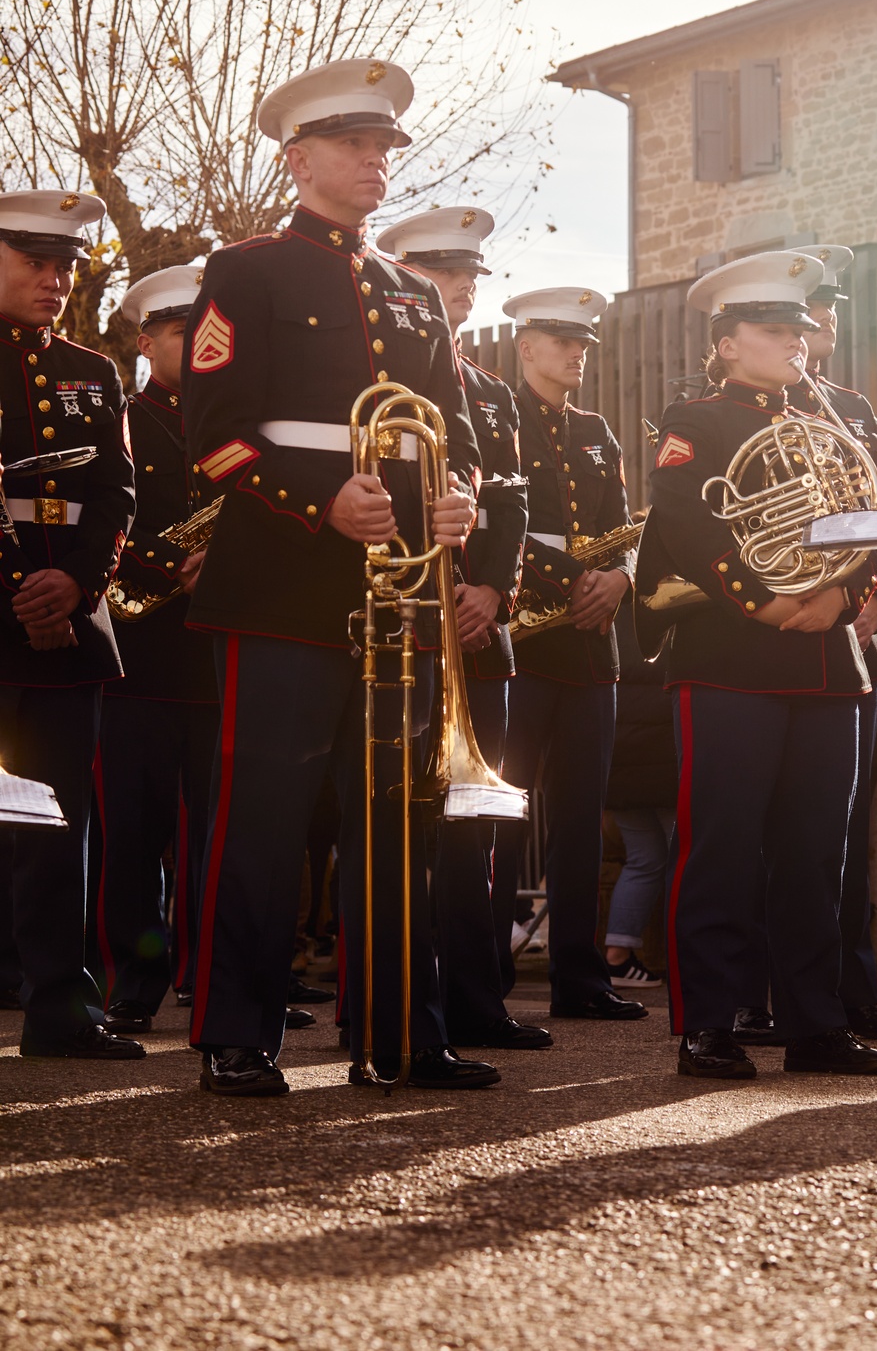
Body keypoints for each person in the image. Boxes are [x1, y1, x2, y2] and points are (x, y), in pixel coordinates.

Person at [181, 58, 498, 1095]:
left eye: (382, 149)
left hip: (399, 592)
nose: (374, 163)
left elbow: (451, 431)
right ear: (299, 158)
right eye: (355, 147)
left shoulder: (414, 294)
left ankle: (404, 1033)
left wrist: (460, 502)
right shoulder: (247, 269)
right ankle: (239, 1033)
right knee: (263, 820)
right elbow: (214, 437)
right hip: (281, 585)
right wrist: (318, 501)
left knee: (396, 819)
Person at [646, 250, 877, 1079]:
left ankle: (816, 1024)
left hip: (829, 661)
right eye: (772, 329)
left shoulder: (835, 420)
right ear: (727, 344)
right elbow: (689, 527)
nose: (794, 340)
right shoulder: (698, 419)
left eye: (798, 327)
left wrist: (848, 598)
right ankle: (708, 1026)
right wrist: (772, 603)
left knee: (818, 852)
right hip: (729, 661)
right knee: (720, 848)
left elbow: (871, 516)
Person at [375, 207, 549, 1049]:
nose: (461, 290)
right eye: (443, 276)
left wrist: (491, 592)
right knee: (396, 831)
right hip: (399, 624)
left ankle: (477, 1002)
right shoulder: (369, 378)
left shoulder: (488, 392)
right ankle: (388, 1010)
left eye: (469, 278)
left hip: (477, 630)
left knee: (478, 824)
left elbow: (510, 503)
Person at [0, 189, 142, 1061]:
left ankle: (61, 1005)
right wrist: (20, 592)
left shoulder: (92, 370)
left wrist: (73, 585)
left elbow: (118, 493)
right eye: (34, 263)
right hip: (14, 611)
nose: (55, 280)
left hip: (68, 620)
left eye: (64, 267)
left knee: (57, 821)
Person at [775, 245, 877, 1044]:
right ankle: (777, 999)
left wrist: (873, 598)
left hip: (853, 640)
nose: (819, 320)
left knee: (846, 828)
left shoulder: (855, 409)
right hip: (781, 631)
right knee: (782, 833)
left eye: (826, 308)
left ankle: (854, 995)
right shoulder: (746, 405)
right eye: (804, 309)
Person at [491, 287, 647, 1022]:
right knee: (500, 811)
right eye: (563, 341)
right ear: (526, 346)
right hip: (520, 637)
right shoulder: (493, 416)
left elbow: (623, 530)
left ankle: (580, 980)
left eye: (583, 341)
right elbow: (493, 525)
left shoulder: (594, 430)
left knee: (583, 819)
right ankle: (484, 976)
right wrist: (572, 577)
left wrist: (622, 578)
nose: (578, 352)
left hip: (589, 645)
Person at [91, 264, 221, 1033]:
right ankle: (129, 988)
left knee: (219, 834)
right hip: (139, 652)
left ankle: (214, 981)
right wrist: (173, 569)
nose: (195, 344)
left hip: (216, 658)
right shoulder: (121, 415)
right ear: (147, 340)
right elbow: (103, 513)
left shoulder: (232, 418)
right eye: (178, 331)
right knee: (131, 836)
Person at [602, 596, 677, 988]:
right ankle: (687, 957)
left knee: (643, 860)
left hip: (622, 762)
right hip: (665, 763)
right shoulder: (671, 614)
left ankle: (617, 955)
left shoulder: (614, 613)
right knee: (684, 859)